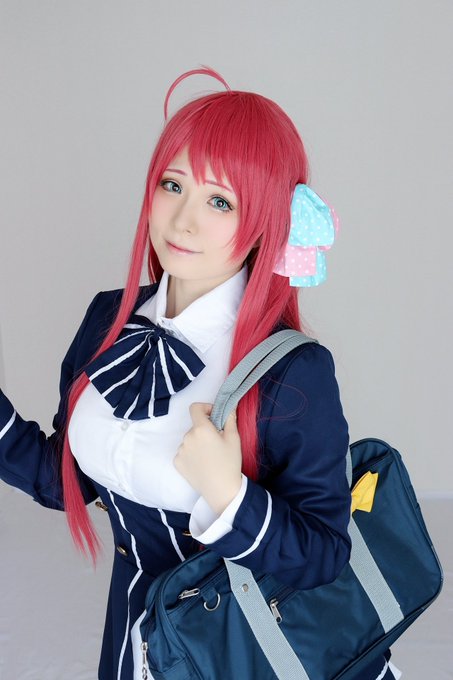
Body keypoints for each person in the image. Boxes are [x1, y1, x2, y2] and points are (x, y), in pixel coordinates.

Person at [0, 67, 400, 679]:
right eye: (172, 185)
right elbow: (69, 481)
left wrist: (230, 494)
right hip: (136, 639)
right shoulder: (109, 318)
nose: (184, 220)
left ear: (264, 220)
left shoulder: (293, 371)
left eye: (220, 201)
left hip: (245, 651)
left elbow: (324, 557)